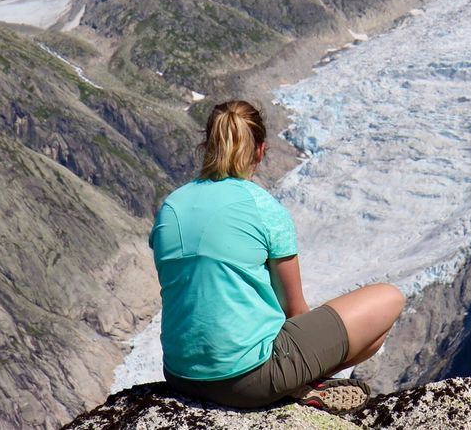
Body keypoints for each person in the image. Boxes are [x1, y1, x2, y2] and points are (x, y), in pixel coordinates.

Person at [149, 100, 405, 412]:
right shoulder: (263, 207)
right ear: (260, 150)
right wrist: (310, 356)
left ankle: (296, 382)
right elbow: (293, 308)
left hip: (180, 374)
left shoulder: (171, 206)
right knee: (388, 300)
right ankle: (300, 384)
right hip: (246, 381)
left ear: (208, 145)